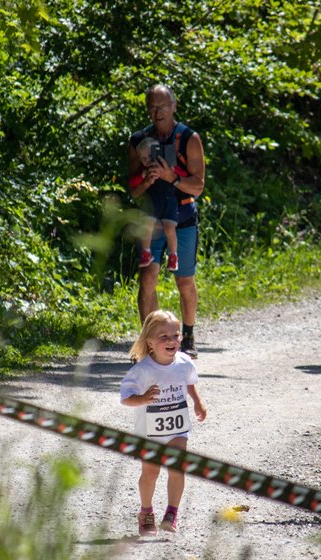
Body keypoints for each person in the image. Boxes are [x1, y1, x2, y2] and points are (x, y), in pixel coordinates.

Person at [128, 84, 206, 358]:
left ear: (174, 106)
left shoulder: (189, 139)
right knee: (147, 278)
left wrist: (171, 178)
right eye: (151, 106)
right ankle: (150, 343)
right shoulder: (139, 140)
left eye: (162, 106)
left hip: (181, 219)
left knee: (184, 281)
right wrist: (146, 180)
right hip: (151, 220)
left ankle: (188, 335)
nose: (156, 111)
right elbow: (133, 190)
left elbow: (198, 186)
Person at [120, 310, 207, 536]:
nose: (171, 341)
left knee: (177, 467)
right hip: (149, 433)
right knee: (150, 473)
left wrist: (198, 402)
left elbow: (189, 382)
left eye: (175, 335)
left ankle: (171, 513)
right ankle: (146, 512)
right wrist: (143, 399)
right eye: (164, 337)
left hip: (178, 430)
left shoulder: (184, 362)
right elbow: (126, 398)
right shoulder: (142, 370)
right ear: (149, 342)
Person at [130, 136, 184, 272]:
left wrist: (171, 171)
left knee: (169, 228)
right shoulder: (145, 171)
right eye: (143, 159)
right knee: (146, 223)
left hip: (169, 201)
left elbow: (183, 174)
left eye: (150, 156)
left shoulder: (168, 167)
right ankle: (146, 253)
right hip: (152, 201)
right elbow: (132, 183)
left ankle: (173, 255)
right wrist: (144, 176)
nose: (147, 160)